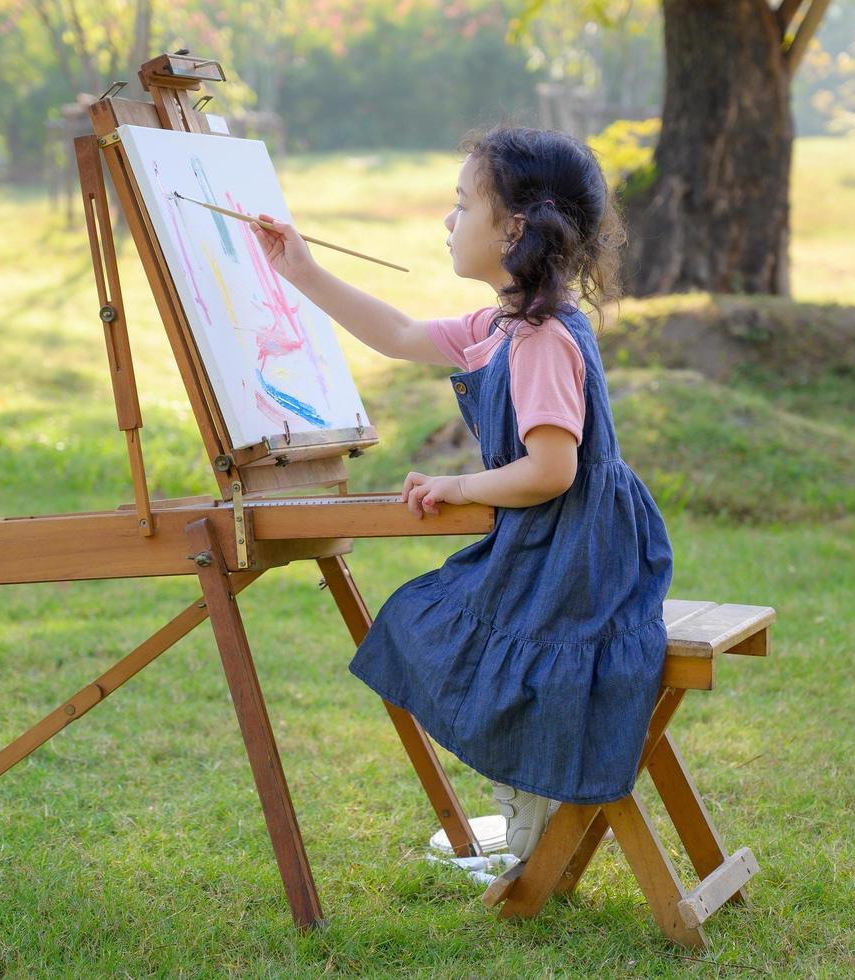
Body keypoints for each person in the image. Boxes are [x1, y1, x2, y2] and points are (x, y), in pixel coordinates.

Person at [251, 125, 673, 861]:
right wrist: (302, 272)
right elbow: (401, 332)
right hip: (556, 540)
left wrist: (456, 485)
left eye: (461, 204)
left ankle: (532, 823)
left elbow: (551, 469)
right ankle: (526, 807)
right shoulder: (503, 325)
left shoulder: (540, 340)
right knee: (465, 639)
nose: (448, 221)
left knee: (456, 637)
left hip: (576, 550)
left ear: (513, 227)